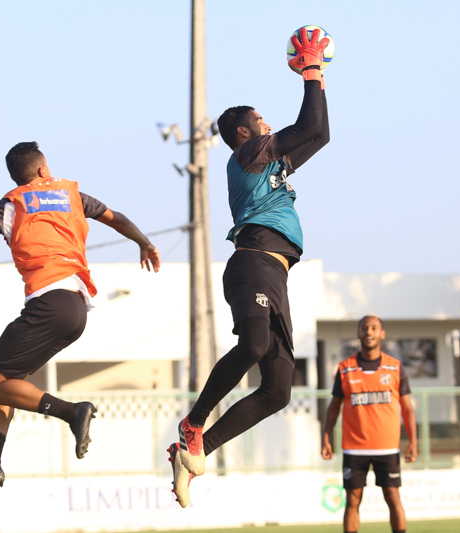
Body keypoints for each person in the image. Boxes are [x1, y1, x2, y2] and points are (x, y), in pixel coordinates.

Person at [0, 141, 161, 498]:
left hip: (48, 304)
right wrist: (144, 243)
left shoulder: (6, 207)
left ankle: (73, 412)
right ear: (42, 170)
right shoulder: (73, 196)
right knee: (7, 380)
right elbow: (118, 219)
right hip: (75, 307)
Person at [167, 27, 331, 507]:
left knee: (278, 391)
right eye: (261, 119)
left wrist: (316, 78)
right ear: (245, 132)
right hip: (252, 264)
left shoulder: (267, 160)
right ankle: (193, 422)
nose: (267, 124)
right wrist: (312, 70)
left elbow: (318, 133)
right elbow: (305, 127)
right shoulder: (248, 153)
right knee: (256, 345)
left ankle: (193, 450)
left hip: (274, 276)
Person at [321, 315, 418, 533]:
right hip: (354, 447)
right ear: (358, 333)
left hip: (387, 446)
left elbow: (408, 408)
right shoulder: (345, 368)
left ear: (382, 334)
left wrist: (413, 441)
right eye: (364, 328)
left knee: (393, 497)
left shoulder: (395, 367)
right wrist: (326, 437)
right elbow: (334, 406)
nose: (369, 332)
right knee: (353, 500)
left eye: (374, 328)